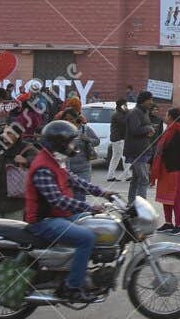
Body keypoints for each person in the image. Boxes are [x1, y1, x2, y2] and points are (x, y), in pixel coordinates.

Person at [25, 119, 114, 303]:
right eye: (69, 142)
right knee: (86, 238)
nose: (72, 146)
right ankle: (72, 287)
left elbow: (74, 180)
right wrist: (88, 206)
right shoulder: (43, 167)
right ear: (58, 143)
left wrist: (102, 192)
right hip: (44, 221)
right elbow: (57, 200)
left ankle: (76, 270)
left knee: (95, 222)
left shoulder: (55, 161)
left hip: (59, 216)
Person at [150, 107, 180, 233]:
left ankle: (179, 225)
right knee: (166, 198)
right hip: (166, 169)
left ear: (170, 117)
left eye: (166, 114)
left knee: (176, 198)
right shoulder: (169, 130)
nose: (165, 116)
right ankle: (168, 222)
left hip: (176, 169)